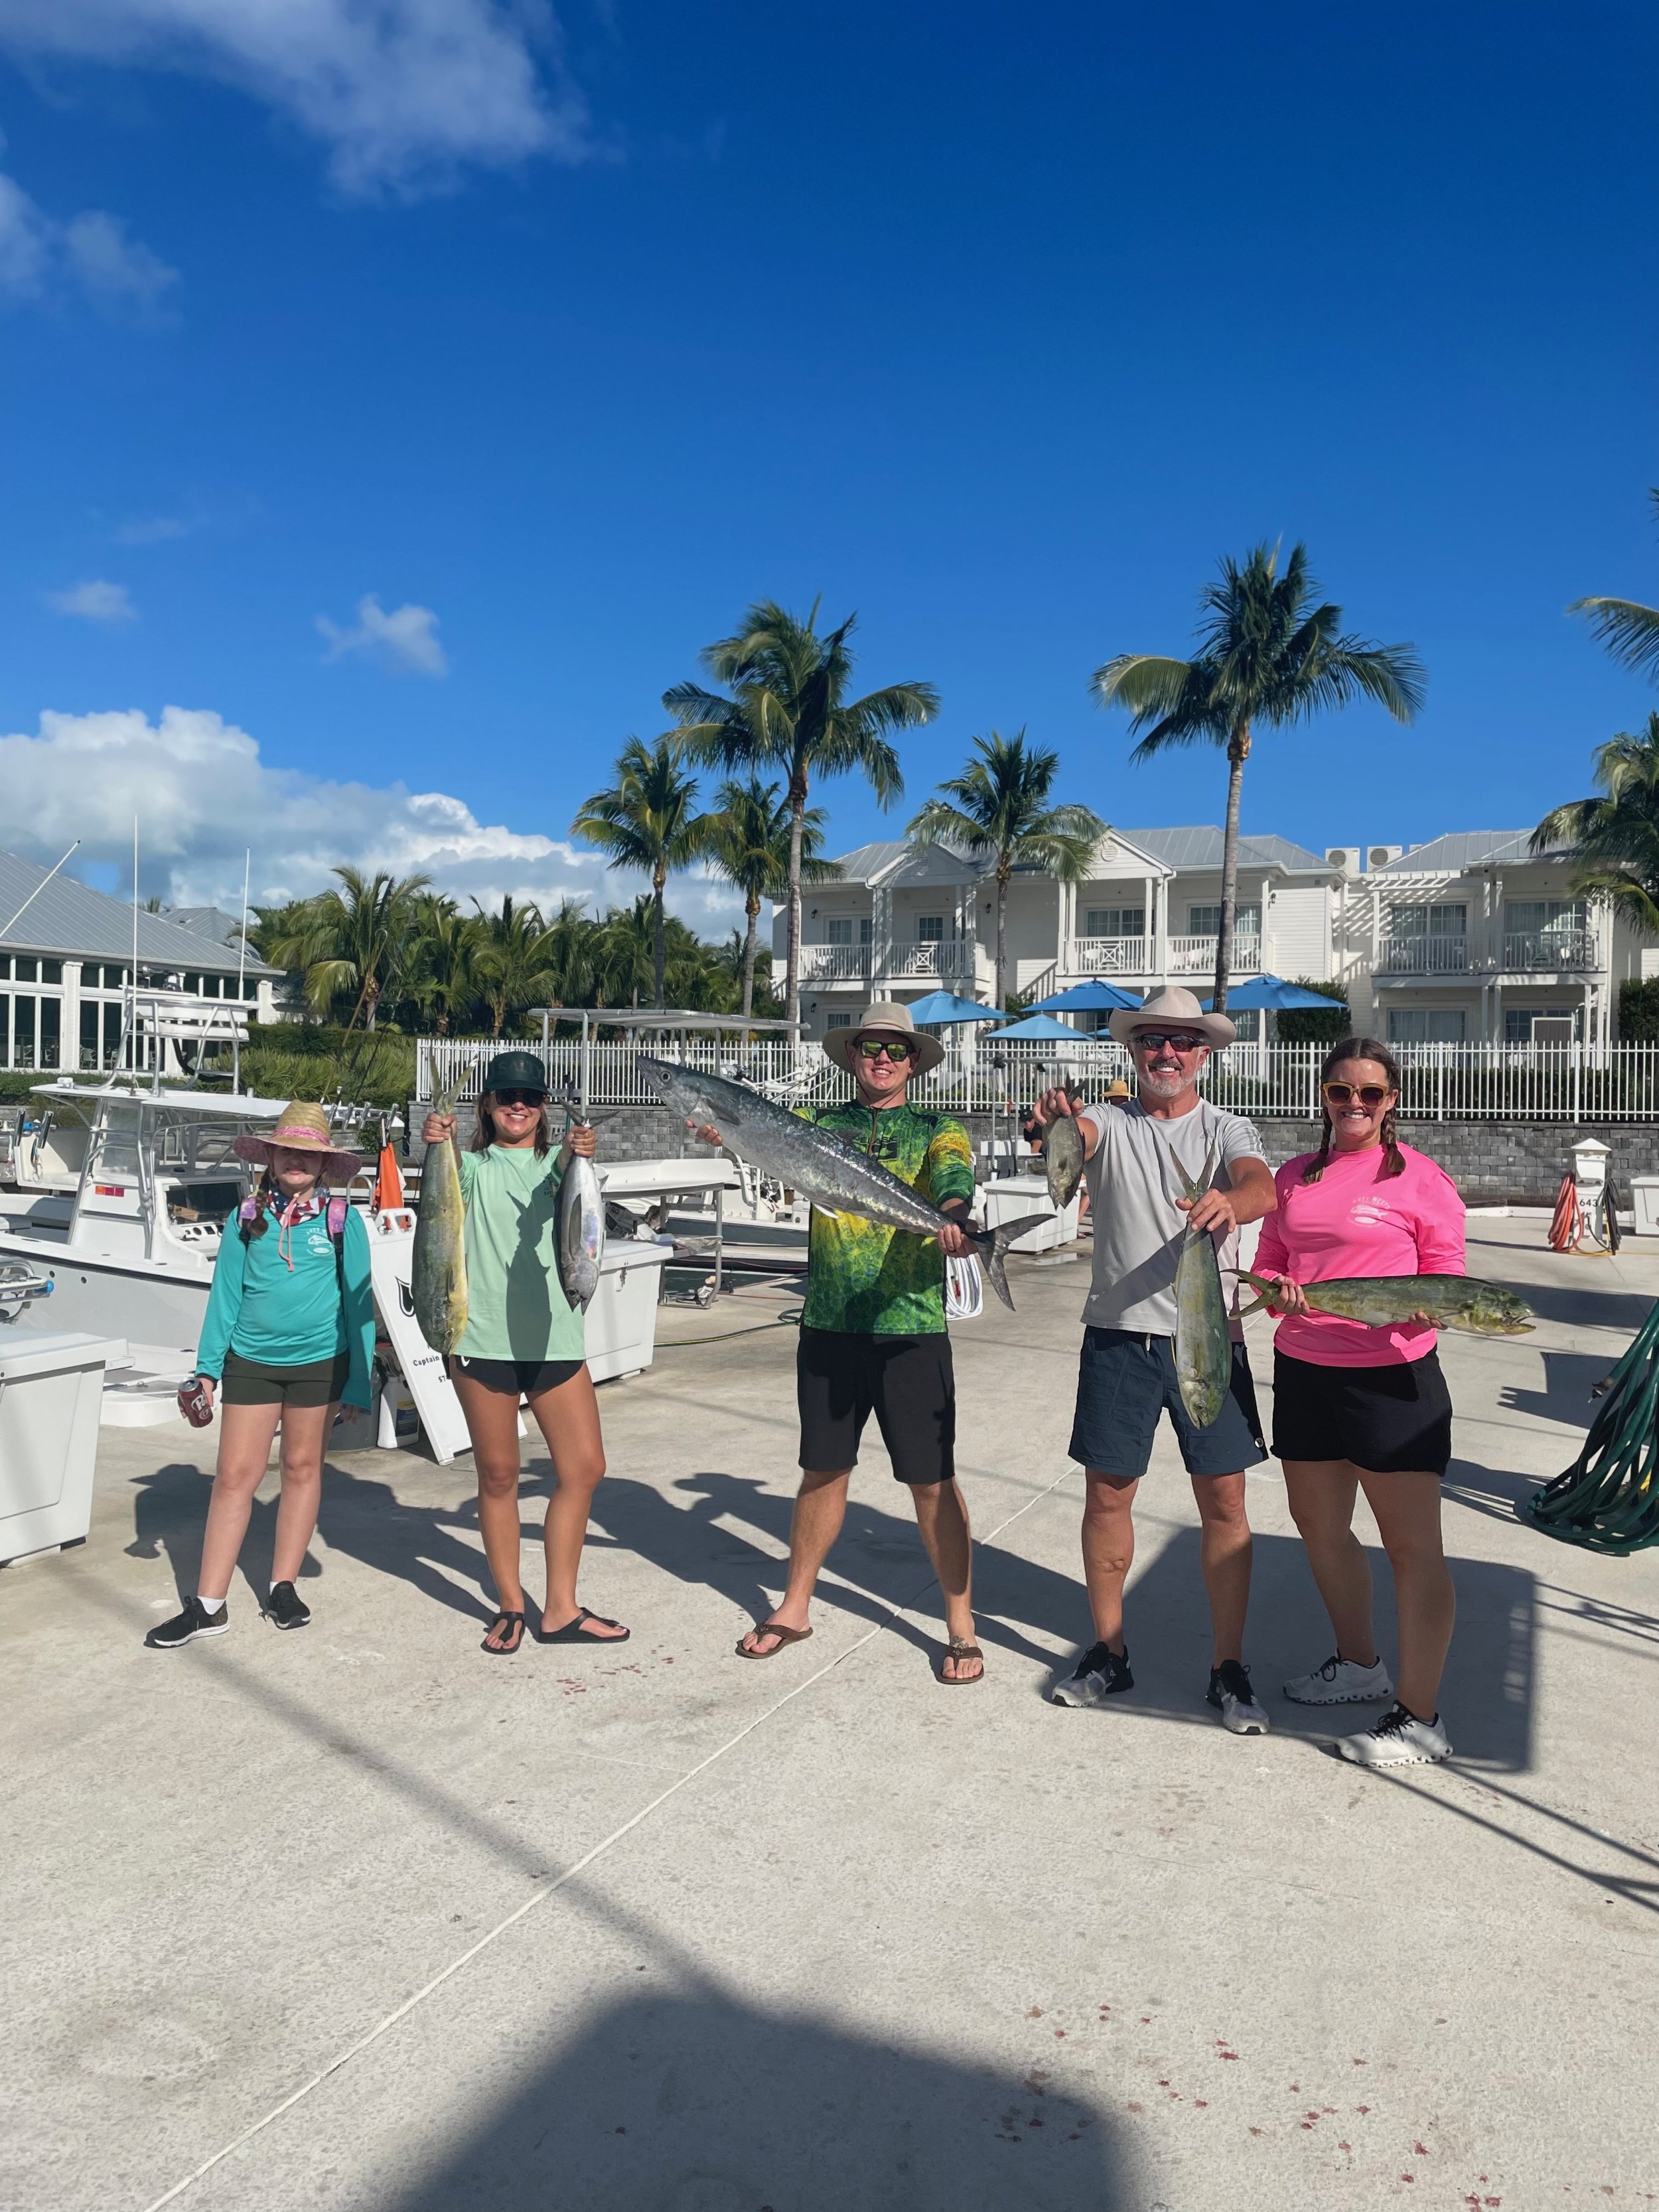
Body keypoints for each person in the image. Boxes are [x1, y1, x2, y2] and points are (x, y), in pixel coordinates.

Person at [689, 1002, 985, 1684]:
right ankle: (795, 1606)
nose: (882, 1058)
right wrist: (722, 1135)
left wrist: (955, 1215)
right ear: (852, 1056)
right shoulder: (820, 1125)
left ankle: (961, 1625)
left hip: (909, 1326)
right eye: (870, 1048)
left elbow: (951, 1174)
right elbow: (762, 1143)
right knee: (822, 1470)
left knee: (932, 1482)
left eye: (895, 1050)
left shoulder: (935, 1127)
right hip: (828, 1323)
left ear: (914, 1062)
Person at [1032, 984, 1278, 1733]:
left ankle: (1227, 1667)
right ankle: (1108, 1650)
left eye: (1180, 1042)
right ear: (1133, 1052)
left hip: (1210, 1339)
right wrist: (1054, 1130)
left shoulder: (1228, 1126)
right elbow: (1077, 1138)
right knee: (1107, 1497)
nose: (1165, 1054)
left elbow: (1261, 1185)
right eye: (1150, 1042)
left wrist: (1232, 1205)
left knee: (1226, 1504)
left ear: (1204, 1054)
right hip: (1119, 1338)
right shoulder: (1108, 1119)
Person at [1254, 1037, 1464, 1766]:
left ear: (1391, 1101)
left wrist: (1431, 1310)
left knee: (1411, 1550)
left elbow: (1445, 1276)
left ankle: (1420, 1717)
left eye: (1369, 1094)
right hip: (1305, 1370)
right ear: (1322, 1095)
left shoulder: (1420, 1180)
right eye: (1340, 1091)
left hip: (1391, 1379)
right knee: (1319, 1528)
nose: (1353, 1105)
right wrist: (1274, 1293)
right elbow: (1271, 1261)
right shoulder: (1294, 1176)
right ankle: (1358, 1665)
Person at [145, 1103, 374, 1648]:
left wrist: (360, 1383)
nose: (296, 1159)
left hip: (321, 1364)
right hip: (250, 1362)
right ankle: (209, 1603)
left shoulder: (343, 1221)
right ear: (269, 1156)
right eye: (286, 1149)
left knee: (301, 1469)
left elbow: (360, 1307)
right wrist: (206, 1372)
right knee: (234, 1477)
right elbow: (224, 1297)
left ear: (324, 1164)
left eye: (309, 1153)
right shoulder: (246, 1217)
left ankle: (283, 1585)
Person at [423, 1050, 624, 1657]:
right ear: (486, 1104)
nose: (518, 1105)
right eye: (507, 1095)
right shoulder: (474, 1167)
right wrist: (437, 1139)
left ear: (542, 1111)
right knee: (499, 1474)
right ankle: (512, 1602)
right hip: (482, 1340)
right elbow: (445, 1177)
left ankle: (560, 1607)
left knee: (585, 1468)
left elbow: (562, 1173)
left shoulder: (559, 1167)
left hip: (555, 1341)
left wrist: (577, 1148)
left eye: (530, 1098)